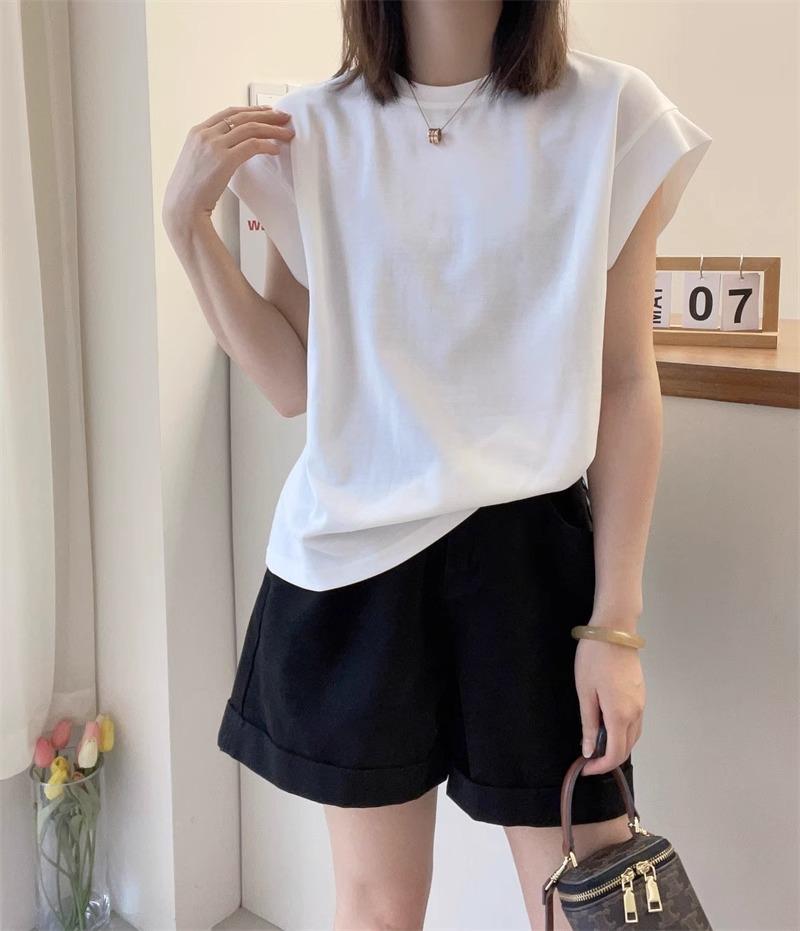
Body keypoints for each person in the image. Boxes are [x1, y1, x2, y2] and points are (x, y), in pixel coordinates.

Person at [163, 1, 712, 928]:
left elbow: (625, 382)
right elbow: (293, 382)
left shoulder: (610, 115)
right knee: (377, 905)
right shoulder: (307, 132)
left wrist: (614, 625)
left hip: (531, 560)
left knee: (592, 891)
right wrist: (187, 229)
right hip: (355, 563)